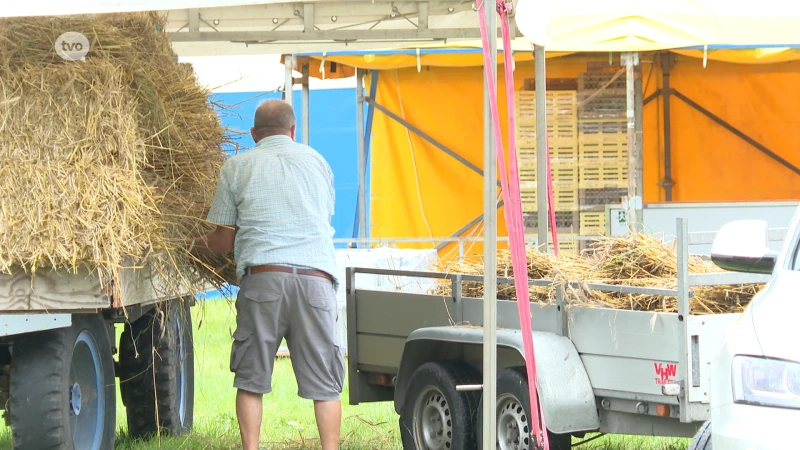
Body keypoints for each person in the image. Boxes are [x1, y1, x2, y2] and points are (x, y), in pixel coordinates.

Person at [187, 99, 343, 450]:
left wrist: (187, 242)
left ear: (253, 133)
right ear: (293, 131)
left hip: (264, 281)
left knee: (251, 379)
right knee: (326, 384)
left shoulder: (237, 166)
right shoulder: (319, 163)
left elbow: (224, 241)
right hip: (317, 282)